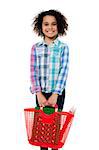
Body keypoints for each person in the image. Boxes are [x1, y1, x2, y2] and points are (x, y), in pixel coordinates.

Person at [30, 9, 69, 150]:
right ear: (41, 27)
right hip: (40, 94)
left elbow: (63, 71)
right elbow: (33, 72)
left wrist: (55, 94)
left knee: (54, 127)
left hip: (57, 94)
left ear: (59, 26)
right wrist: (38, 93)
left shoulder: (63, 48)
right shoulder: (35, 48)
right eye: (46, 24)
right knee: (42, 128)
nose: (50, 27)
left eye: (53, 24)